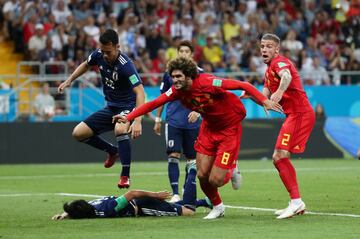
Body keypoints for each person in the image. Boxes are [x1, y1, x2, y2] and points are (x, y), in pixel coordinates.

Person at [113, 57, 283, 219]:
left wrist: (264, 101)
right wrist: (129, 118)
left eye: (179, 76)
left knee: (215, 180)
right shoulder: (176, 91)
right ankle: (218, 207)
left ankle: (232, 169)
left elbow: (243, 84)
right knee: (201, 175)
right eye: (172, 77)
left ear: (188, 75)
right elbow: (154, 103)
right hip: (208, 129)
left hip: (228, 129)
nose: (175, 80)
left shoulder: (208, 82)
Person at [155, 40, 242, 203]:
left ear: (192, 55)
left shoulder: (200, 74)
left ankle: (188, 189)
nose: (184, 54)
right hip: (173, 120)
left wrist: (197, 111)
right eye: (181, 51)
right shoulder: (170, 74)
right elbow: (162, 98)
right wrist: (158, 119)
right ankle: (175, 193)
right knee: (173, 155)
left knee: (192, 161)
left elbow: (211, 98)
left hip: (194, 124)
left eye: (187, 51)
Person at [57, 29, 145, 189]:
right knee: (78, 133)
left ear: (117, 46)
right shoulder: (99, 54)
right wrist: (70, 79)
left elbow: (140, 92)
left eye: (108, 52)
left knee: (120, 129)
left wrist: (137, 120)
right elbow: (85, 64)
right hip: (111, 107)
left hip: (127, 107)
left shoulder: (126, 66)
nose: (104, 55)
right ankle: (112, 151)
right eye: (102, 51)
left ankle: (125, 175)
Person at [259, 33, 315, 219]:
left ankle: (296, 201)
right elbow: (266, 89)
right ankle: (296, 201)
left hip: (300, 114)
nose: (264, 49)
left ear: (277, 49)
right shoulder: (268, 69)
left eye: (268, 46)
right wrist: (257, 97)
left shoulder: (279, 63)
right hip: (294, 115)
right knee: (279, 156)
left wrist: (280, 92)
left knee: (279, 155)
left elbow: (287, 76)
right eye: (262, 46)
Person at [52, 162, 212, 220]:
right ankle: (205, 202)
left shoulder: (106, 210)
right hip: (140, 204)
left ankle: (192, 170)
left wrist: (155, 195)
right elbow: (80, 206)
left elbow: (132, 193)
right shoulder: (90, 205)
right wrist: (66, 213)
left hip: (143, 205)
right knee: (175, 205)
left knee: (188, 212)